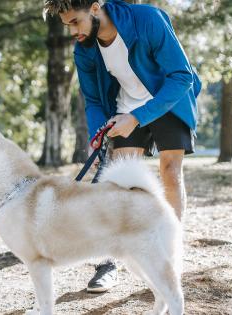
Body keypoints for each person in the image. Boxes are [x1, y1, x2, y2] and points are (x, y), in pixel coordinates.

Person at [43, 0, 201, 293]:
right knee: (117, 184)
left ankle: (169, 256)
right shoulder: (84, 50)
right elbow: (92, 100)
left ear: (94, 8)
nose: (73, 32)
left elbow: (182, 76)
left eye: (75, 22)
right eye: (67, 26)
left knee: (169, 171)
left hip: (168, 100)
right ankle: (108, 263)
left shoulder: (147, 19)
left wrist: (139, 117)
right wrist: (97, 134)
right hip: (124, 107)